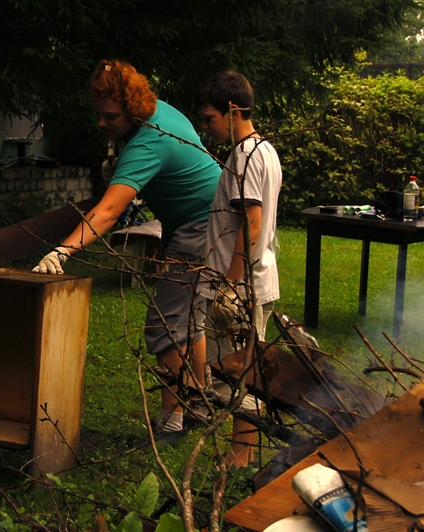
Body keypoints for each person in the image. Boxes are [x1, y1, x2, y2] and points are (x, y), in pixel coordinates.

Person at [33, 59, 220, 439]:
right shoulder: (159, 111)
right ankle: (199, 406)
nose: (102, 123)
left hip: (201, 226)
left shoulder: (148, 141)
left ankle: (174, 419)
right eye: (98, 114)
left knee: (165, 325)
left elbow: (109, 211)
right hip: (208, 220)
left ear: (132, 111)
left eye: (110, 117)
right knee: (188, 320)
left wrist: (62, 252)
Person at [195, 71, 282, 467]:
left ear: (233, 110)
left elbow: (252, 223)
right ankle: (243, 452)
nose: (206, 126)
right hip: (254, 279)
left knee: (239, 373)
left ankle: (240, 456)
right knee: (245, 369)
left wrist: (229, 286)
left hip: (239, 286)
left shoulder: (245, 155)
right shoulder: (265, 149)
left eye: (210, 118)